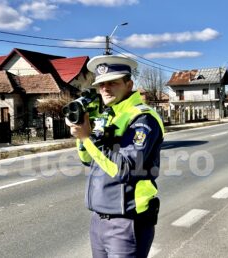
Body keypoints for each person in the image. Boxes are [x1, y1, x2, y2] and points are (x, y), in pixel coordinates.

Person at [65, 55, 165, 258]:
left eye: (113, 82)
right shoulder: (109, 116)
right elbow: (89, 159)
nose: (106, 88)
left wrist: (87, 138)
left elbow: (125, 168)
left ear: (129, 84)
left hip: (127, 221)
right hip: (99, 220)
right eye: (101, 84)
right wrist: (82, 133)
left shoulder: (142, 118)